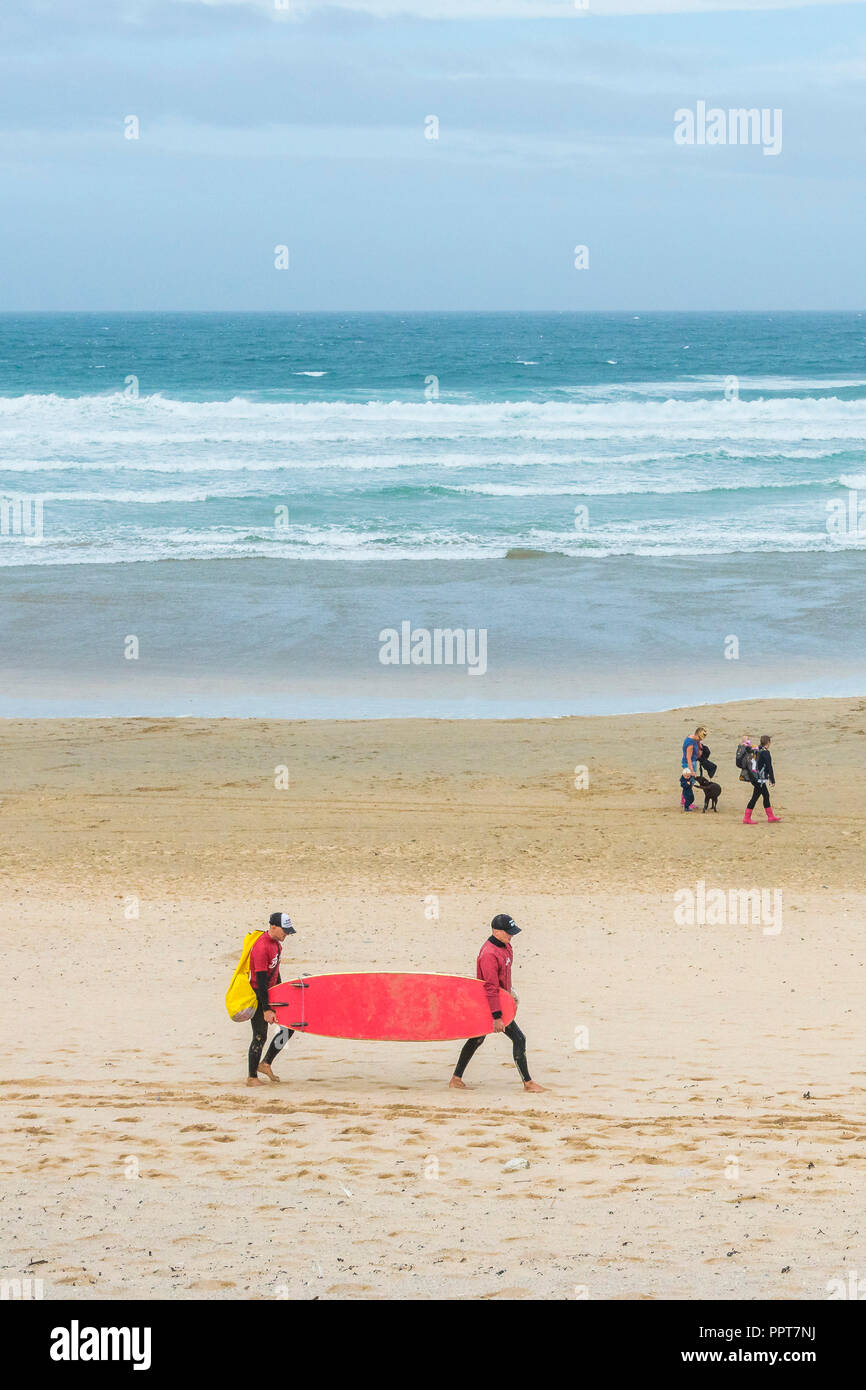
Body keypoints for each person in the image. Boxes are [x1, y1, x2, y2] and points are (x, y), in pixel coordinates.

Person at [449, 914, 545, 1092]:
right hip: (490, 1005)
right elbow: (491, 988)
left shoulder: (506, 946)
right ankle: (528, 1083)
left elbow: (504, 978)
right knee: (519, 1038)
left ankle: (456, 1078)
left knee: (477, 1039)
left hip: (501, 1001)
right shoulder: (489, 955)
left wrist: (510, 994)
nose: (511, 936)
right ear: (496, 931)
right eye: (508, 933)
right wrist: (497, 1017)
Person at [247, 911, 296, 1086]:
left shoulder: (276, 944)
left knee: (289, 1027)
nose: (287, 934)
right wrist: (266, 1008)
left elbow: (275, 971)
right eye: (285, 931)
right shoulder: (261, 948)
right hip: (259, 995)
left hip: (272, 993)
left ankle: (266, 1063)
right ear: (273, 927)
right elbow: (260, 980)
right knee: (260, 1035)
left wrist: (282, 992)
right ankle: (252, 1077)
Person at [743, 735, 782, 824]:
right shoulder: (766, 752)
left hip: (753, 777)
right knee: (756, 797)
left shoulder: (756, 749)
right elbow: (769, 767)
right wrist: (772, 779)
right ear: (768, 743)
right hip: (759, 779)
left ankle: (770, 817)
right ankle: (747, 818)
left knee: (765, 795)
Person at [680, 725, 707, 811]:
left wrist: (699, 744)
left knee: (688, 784)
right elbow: (688, 758)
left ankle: (683, 800)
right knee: (689, 783)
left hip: (691, 763)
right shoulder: (690, 744)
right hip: (689, 764)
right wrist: (692, 771)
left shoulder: (692, 738)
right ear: (697, 735)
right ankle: (687, 802)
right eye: (700, 738)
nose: (701, 740)